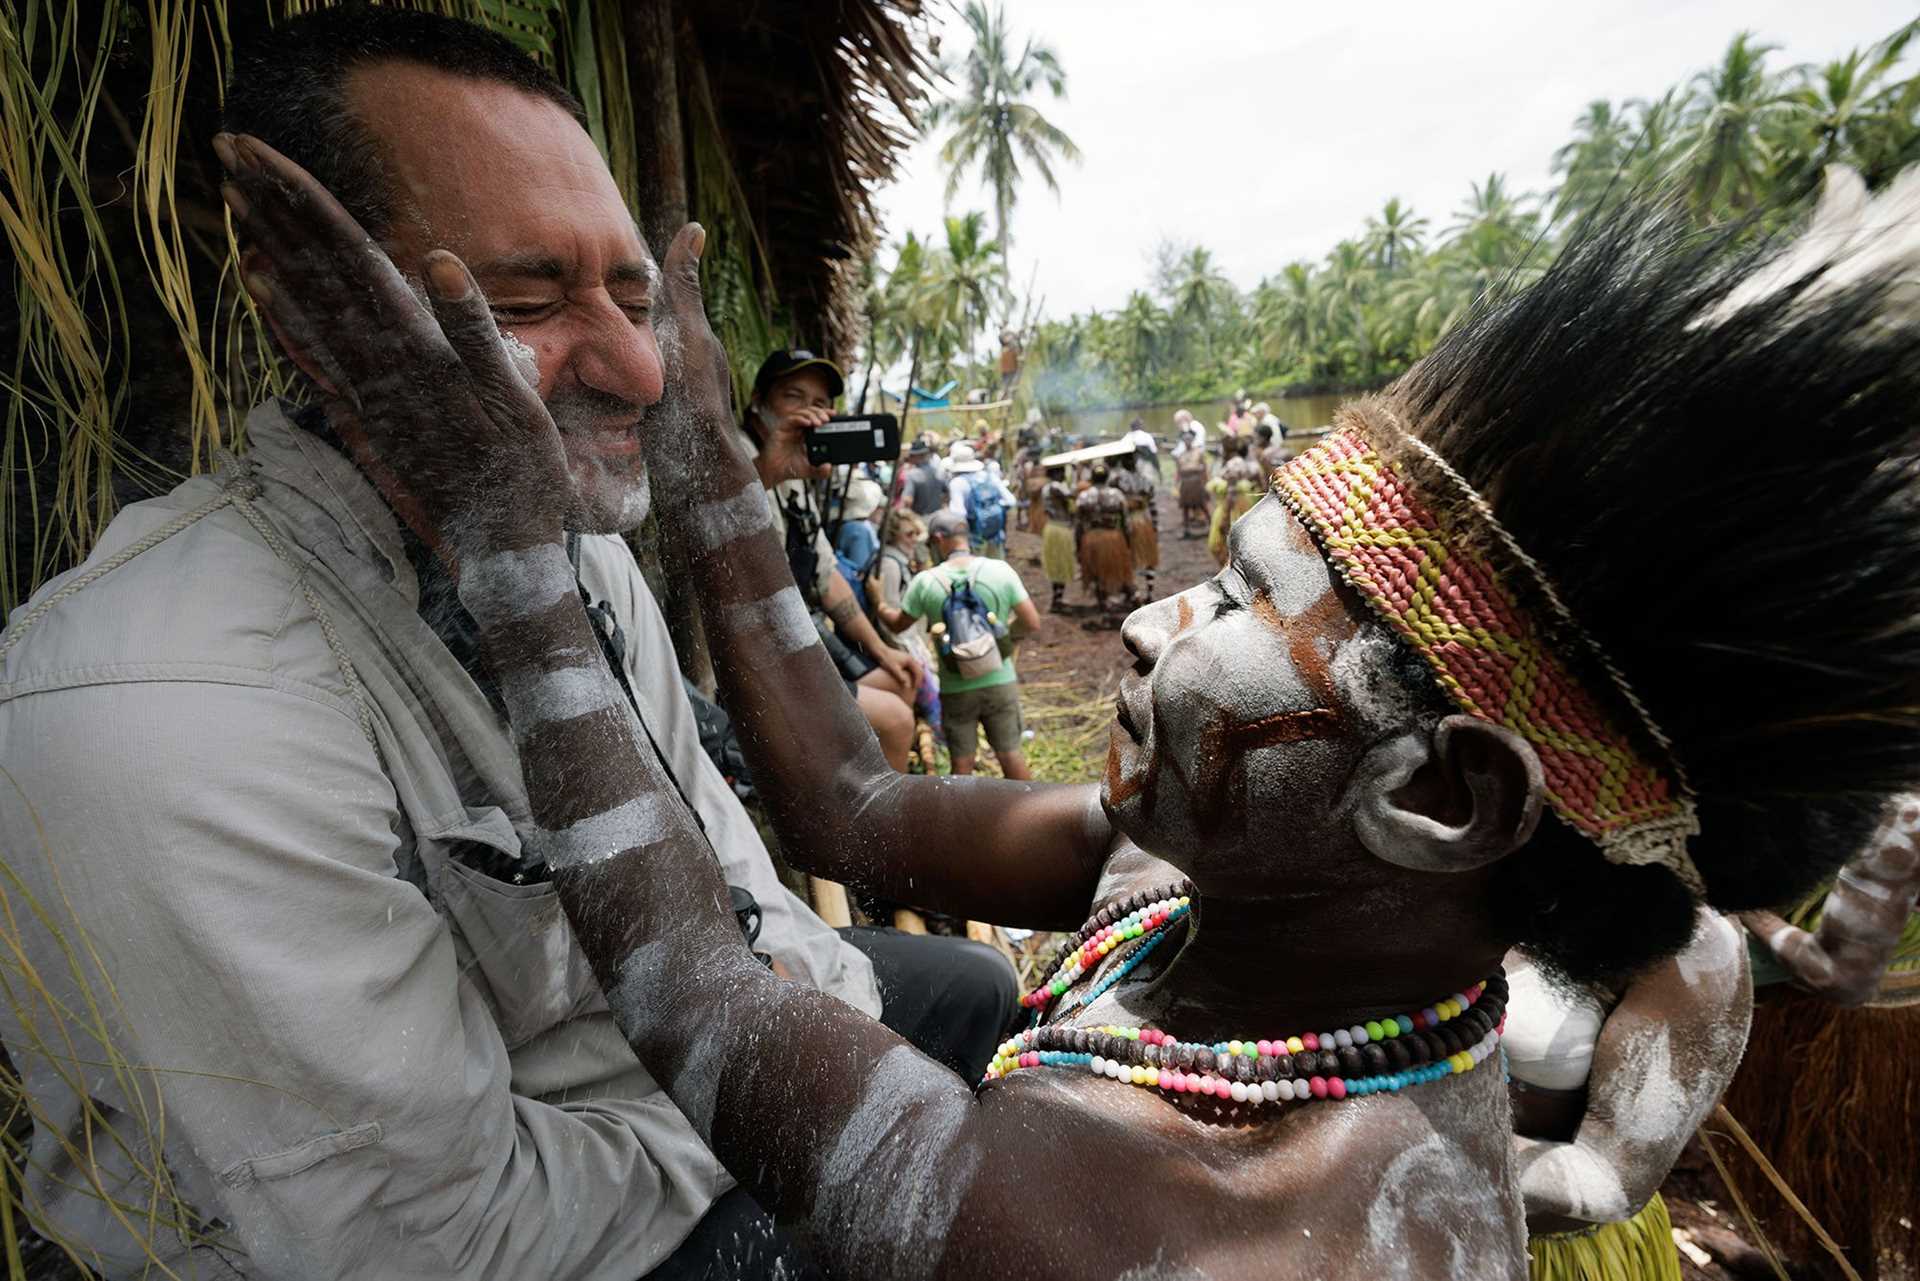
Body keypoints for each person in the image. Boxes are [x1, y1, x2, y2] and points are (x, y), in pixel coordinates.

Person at [225, 94, 1920, 1281]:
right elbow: (850, 803)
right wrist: (709, 453)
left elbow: (697, 991)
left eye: (1243, 597)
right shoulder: (1196, 890)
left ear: (1439, 795)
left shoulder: (1235, 1230)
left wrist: (520, 560)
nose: (1140, 622)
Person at [0, 13, 1019, 1277]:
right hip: (488, 1229)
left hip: (628, 1109)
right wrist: (810, 1123)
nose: (645, 373)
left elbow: (748, 903)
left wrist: (815, 1075)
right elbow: (437, 1239)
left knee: (968, 1001)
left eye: (635, 300)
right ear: (309, 309)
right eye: (529, 302)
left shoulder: (582, 560)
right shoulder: (157, 710)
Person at [1720, 795, 1920, 1277]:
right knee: (1839, 1179)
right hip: (1867, 1012)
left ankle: (1830, 1267)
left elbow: (1840, 976)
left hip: (1855, 1033)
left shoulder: (1906, 812)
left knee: (1840, 1173)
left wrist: (1751, 913)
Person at [1507, 912, 1752, 1281]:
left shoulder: (1692, 936)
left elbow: (1615, 1175)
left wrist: (1416, 1153)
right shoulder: (1464, 873)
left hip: (1546, 1259)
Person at [743, 349, 920, 771]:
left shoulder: (801, 476)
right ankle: (878, 828)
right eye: (794, 397)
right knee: (895, 721)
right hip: (755, 655)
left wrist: (884, 649)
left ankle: (848, 795)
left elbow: (828, 579)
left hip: (800, 634)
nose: (810, 412)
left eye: (820, 404)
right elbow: (714, 513)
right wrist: (770, 467)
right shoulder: (740, 456)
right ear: (759, 403)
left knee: (901, 678)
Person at [872, 510, 1039, 781]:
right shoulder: (1000, 570)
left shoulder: (925, 582)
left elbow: (897, 624)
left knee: (961, 767)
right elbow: (1032, 621)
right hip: (1000, 681)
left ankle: (964, 823)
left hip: (956, 688)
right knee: (1010, 756)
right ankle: (1034, 819)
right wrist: (1004, 643)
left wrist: (878, 601)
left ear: (938, 539)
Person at [1074, 462, 1134, 614]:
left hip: (1090, 540)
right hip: (1113, 539)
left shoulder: (1083, 496)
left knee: (1094, 570)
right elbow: (1126, 523)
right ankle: (1114, 599)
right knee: (1112, 569)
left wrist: (1078, 546)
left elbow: (1078, 525)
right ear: (1107, 477)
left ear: (1092, 478)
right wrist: (1128, 542)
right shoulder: (1117, 494)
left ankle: (1102, 602)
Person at [1207, 434, 1260, 567]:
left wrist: (1225, 518)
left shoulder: (1233, 464)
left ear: (1227, 449)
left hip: (1232, 508)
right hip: (1240, 506)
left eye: (1222, 448)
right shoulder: (1241, 462)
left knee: (1220, 544)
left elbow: (1231, 492)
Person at [1039, 464, 1078, 611]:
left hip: (1054, 528)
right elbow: (1072, 494)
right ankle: (1057, 601)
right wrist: (1075, 473)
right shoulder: (1055, 486)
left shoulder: (1048, 488)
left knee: (1058, 565)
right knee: (1060, 565)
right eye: (1061, 471)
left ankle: (1057, 599)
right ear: (1055, 473)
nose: (1063, 475)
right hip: (1059, 529)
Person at [902, 436, 947, 516]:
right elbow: (946, 492)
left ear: (917, 456)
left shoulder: (912, 475)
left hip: (920, 519)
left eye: (911, 456)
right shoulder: (938, 471)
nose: (910, 458)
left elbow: (908, 500)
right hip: (937, 517)